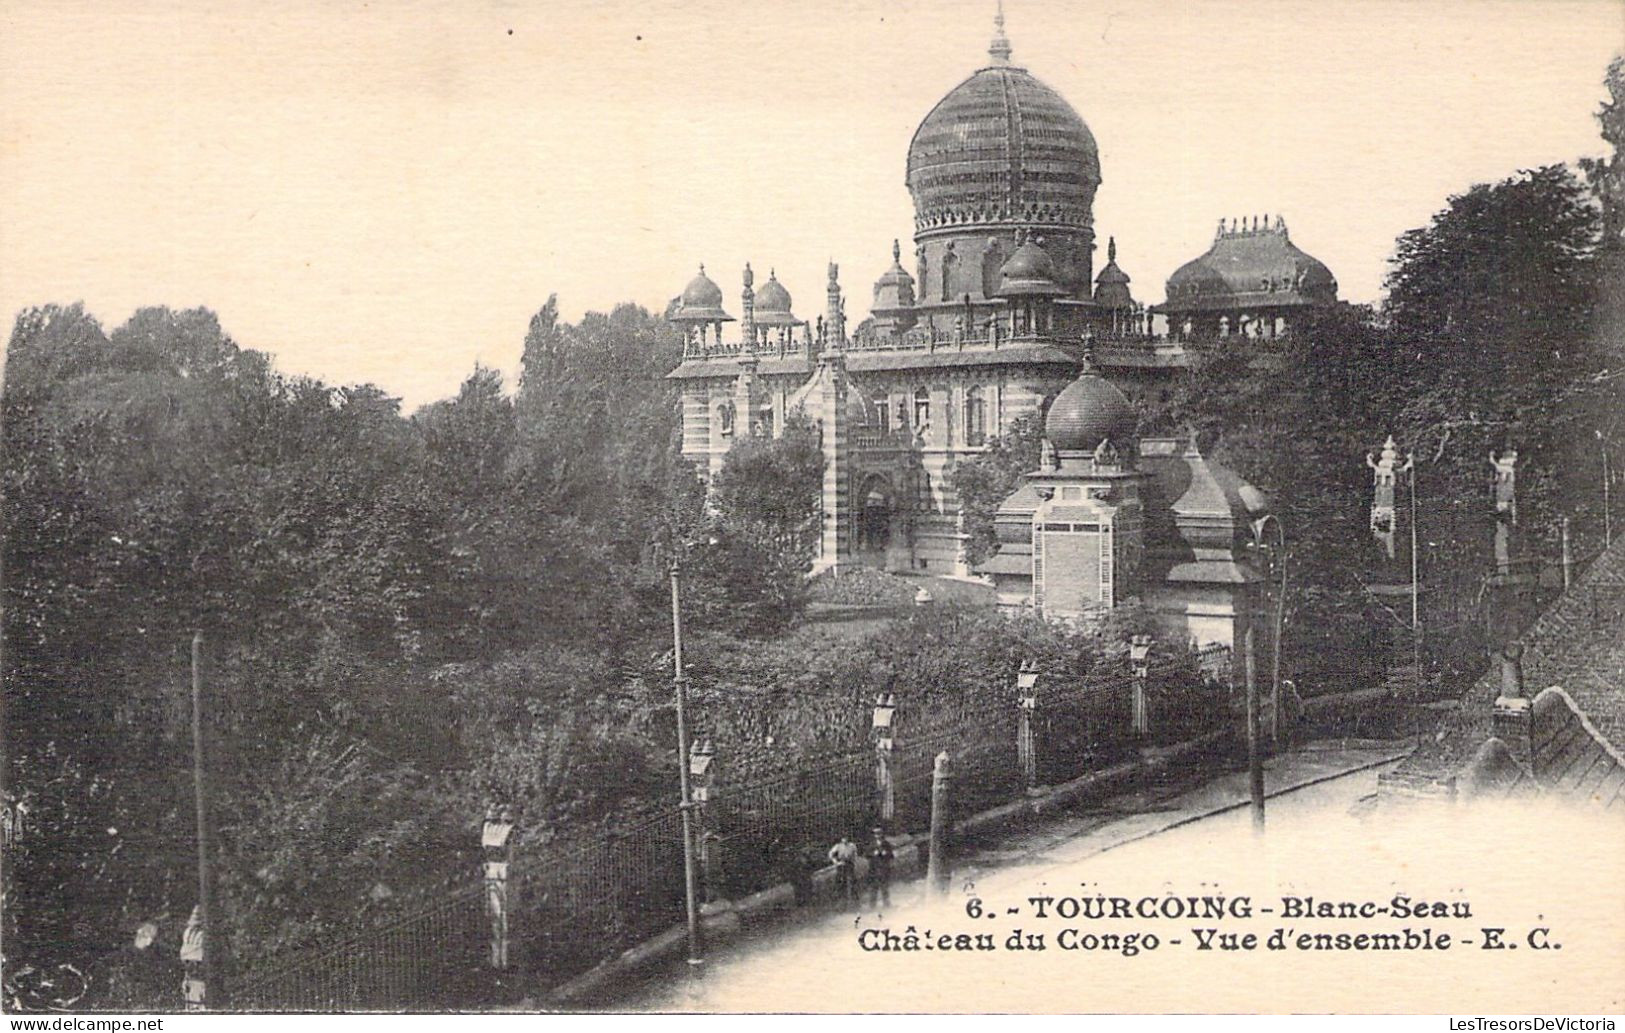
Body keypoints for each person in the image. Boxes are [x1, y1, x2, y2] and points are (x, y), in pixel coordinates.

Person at [866, 828, 895, 910]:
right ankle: (872, 905)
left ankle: (886, 904)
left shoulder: (886, 844)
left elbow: (892, 856)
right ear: (874, 835)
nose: (878, 836)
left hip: (884, 869)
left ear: (882, 834)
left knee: (884, 887)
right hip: (874, 869)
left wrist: (886, 853)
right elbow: (866, 854)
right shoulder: (871, 844)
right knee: (873, 887)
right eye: (876, 834)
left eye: (879, 834)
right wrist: (872, 853)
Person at [828, 834, 860, 906]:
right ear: (841, 839)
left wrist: (853, 860)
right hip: (841, 865)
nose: (845, 840)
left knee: (852, 882)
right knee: (840, 882)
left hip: (849, 864)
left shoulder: (852, 846)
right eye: (843, 838)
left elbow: (855, 854)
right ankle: (840, 901)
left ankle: (855, 902)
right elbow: (831, 854)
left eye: (846, 838)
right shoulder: (838, 846)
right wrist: (836, 862)